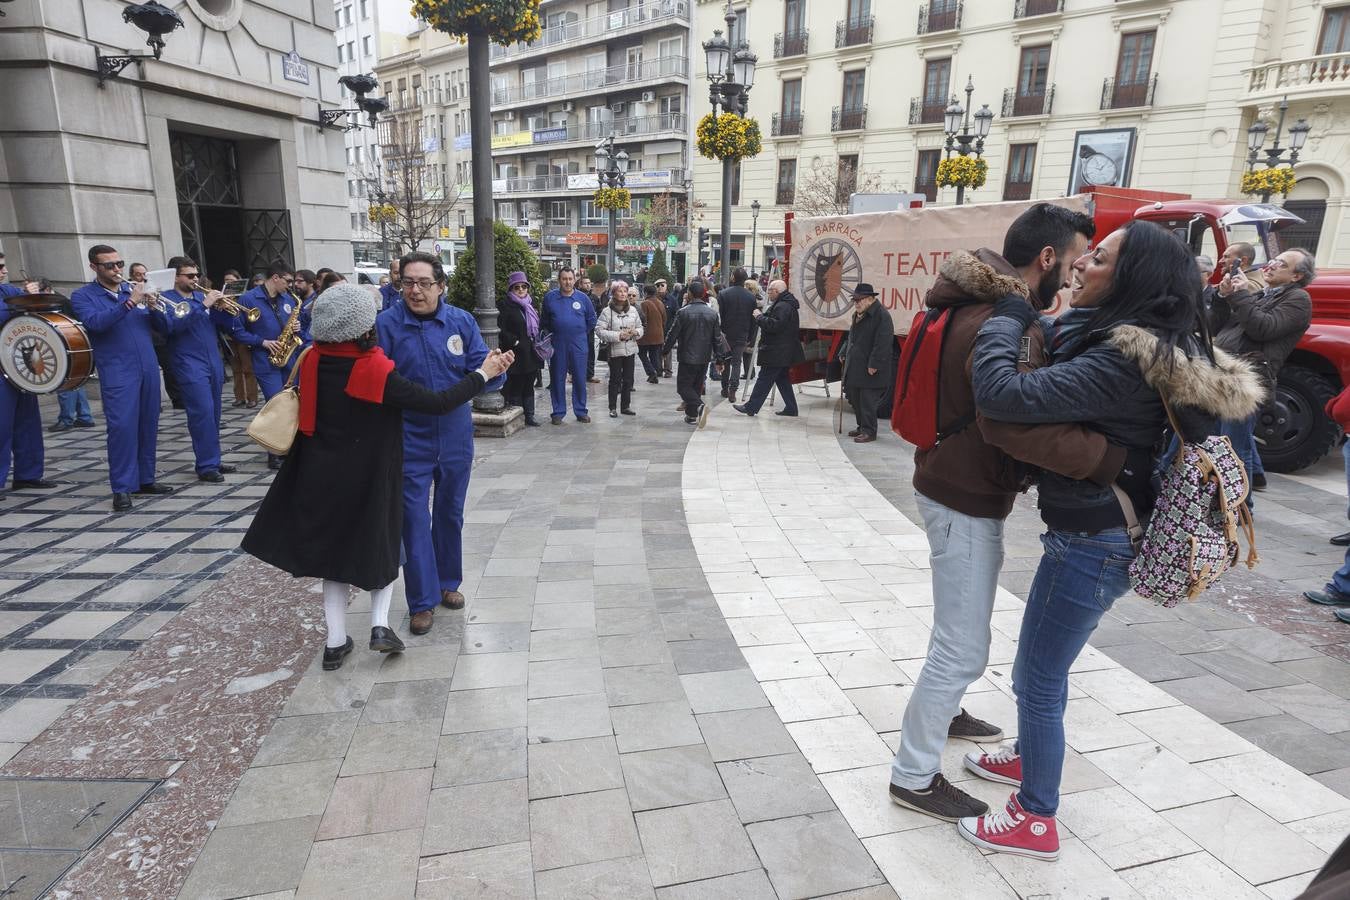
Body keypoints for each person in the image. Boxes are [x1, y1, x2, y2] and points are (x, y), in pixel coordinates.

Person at [960, 220, 1262, 860]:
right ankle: (1029, 759)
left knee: (1037, 678)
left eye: (1098, 258)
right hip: (1101, 532)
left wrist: (1007, 319)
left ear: (1132, 280)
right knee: (1045, 671)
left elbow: (1002, 393)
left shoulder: (1121, 357)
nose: (1081, 265)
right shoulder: (1133, 344)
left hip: (1093, 542)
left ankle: (1035, 817)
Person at [885, 203, 1113, 823]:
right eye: (1075, 260)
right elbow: (1009, 418)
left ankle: (945, 712)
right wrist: (1104, 458)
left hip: (951, 480)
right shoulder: (1002, 321)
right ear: (1047, 257)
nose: (1076, 272)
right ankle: (913, 775)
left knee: (957, 630)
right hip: (963, 496)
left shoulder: (970, 302)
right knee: (962, 649)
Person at [243, 284, 513, 670]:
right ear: (361, 326)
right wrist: (483, 374)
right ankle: (379, 626)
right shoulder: (371, 369)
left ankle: (335, 643)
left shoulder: (312, 358)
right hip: (370, 474)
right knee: (383, 548)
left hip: (319, 474)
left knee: (332, 557)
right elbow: (438, 403)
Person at [377, 252, 504, 635]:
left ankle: (449, 582)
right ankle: (421, 601)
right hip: (407, 434)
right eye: (408, 283)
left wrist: (497, 369)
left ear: (440, 286)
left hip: (454, 433)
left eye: (424, 283)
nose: (415, 290)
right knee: (414, 518)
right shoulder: (386, 325)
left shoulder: (461, 321)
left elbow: (483, 370)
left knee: (450, 512)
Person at [70, 244, 177, 511]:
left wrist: (154, 307)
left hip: (148, 367)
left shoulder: (133, 291)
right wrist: (130, 303)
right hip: (118, 370)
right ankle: (121, 487)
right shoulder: (83, 296)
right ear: (94, 267)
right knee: (121, 428)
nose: (117, 269)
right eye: (109, 265)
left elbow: (165, 329)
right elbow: (96, 323)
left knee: (148, 423)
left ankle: (145, 479)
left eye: (119, 264)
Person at [1209, 247, 1314, 498]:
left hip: (1247, 380)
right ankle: (1253, 478)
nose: (1271, 265)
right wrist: (1223, 296)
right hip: (1223, 373)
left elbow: (1263, 329)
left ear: (1297, 276)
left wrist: (1241, 294)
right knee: (1230, 438)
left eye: (1281, 264)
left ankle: (1241, 506)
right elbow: (1215, 326)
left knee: (1232, 448)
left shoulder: (1299, 299)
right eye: (1273, 260)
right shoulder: (1263, 294)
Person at [232, 259, 312, 469]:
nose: (291, 285)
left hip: (289, 358)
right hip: (265, 359)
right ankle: (273, 452)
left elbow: (299, 329)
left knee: (292, 403)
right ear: (275, 278)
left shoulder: (290, 299)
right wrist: (262, 342)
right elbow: (237, 331)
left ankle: (288, 447)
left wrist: (297, 328)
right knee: (275, 403)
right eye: (288, 281)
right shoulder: (249, 298)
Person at [163, 257, 236, 483]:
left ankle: (213, 459)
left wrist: (222, 309)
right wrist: (204, 305)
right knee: (201, 413)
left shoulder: (198, 296)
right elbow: (173, 327)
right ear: (176, 277)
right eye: (190, 275)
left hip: (212, 360)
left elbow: (223, 326)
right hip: (188, 362)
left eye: (197, 275)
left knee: (214, 414)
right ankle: (206, 465)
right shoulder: (167, 299)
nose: (195, 279)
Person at [0, 263, 58, 501]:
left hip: (18, 365)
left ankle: (28, 473)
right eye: (0, 267)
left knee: (28, 420)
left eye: (4, 266)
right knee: (2, 424)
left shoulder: (7, 291)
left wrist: (32, 294)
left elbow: (37, 308)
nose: (5, 271)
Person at [733, 279, 804, 417]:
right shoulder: (784, 304)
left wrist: (759, 317)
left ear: (777, 291)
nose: (768, 293)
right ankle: (791, 408)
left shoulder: (783, 306)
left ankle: (751, 407)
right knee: (782, 379)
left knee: (764, 379)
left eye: (770, 290)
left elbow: (774, 325)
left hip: (777, 351)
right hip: (782, 350)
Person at [661, 279, 722, 427]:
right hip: (704, 356)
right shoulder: (712, 314)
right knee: (696, 386)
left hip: (687, 356)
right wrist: (719, 359)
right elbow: (717, 339)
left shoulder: (683, 312)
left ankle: (699, 406)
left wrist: (665, 350)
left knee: (683, 387)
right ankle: (692, 415)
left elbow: (672, 334)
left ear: (689, 293)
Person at [541, 267, 595, 425]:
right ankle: (558, 412)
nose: (567, 282)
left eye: (570, 279)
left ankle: (581, 411)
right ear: (559, 280)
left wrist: (580, 332)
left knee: (579, 377)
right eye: (564, 279)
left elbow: (592, 319)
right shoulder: (550, 298)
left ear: (575, 280)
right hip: (558, 343)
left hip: (579, 343)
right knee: (557, 378)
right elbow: (544, 321)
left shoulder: (583, 298)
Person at [843, 283, 891, 443]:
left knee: (867, 401)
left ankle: (869, 431)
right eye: (855, 300)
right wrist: (843, 351)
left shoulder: (881, 315)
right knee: (856, 398)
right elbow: (852, 337)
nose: (856, 303)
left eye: (860, 300)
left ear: (870, 299)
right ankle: (861, 427)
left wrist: (874, 364)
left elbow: (883, 342)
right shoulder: (858, 314)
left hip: (870, 367)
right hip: (857, 364)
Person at [496, 270, 544, 427]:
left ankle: (529, 415)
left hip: (531, 352)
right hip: (515, 354)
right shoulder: (505, 305)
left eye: (524, 286)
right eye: (517, 287)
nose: (521, 290)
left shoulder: (531, 304)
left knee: (529, 384)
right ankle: (518, 416)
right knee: (516, 385)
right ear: (511, 289)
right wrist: (515, 341)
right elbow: (501, 329)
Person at [597, 280, 643, 417]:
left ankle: (625, 406)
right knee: (615, 379)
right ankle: (612, 407)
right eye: (620, 291)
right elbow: (599, 330)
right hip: (615, 350)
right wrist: (618, 335)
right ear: (614, 293)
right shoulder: (607, 312)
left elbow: (640, 327)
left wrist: (636, 332)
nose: (623, 294)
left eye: (625, 291)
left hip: (630, 349)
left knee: (628, 379)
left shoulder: (633, 310)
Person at [716, 268, 756, 400]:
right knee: (737, 362)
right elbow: (753, 319)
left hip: (726, 333)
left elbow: (720, 315)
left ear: (733, 278)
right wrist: (750, 336)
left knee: (726, 361)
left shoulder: (723, 294)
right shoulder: (751, 296)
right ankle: (733, 390)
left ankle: (725, 388)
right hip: (742, 333)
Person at [637, 283, 667, 384]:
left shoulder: (644, 303)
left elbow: (643, 319)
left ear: (645, 293)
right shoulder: (660, 303)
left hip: (647, 335)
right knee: (654, 355)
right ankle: (655, 374)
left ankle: (651, 372)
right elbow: (664, 319)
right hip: (659, 334)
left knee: (641, 353)